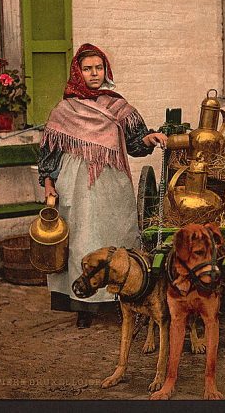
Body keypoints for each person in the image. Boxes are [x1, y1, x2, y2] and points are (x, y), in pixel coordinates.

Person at [38, 43, 167, 329]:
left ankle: (123, 294)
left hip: (111, 181)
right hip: (75, 184)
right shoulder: (64, 109)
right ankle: (83, 304)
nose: (94, 74)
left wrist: (149, 139)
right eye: (87, 69)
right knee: (82, 239)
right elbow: (49, 152)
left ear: (105, 69)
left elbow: (134, 144)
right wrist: (48, 184)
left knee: (115, 233)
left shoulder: (117, 105)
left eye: (98, 68)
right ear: (77, 72)